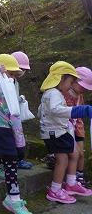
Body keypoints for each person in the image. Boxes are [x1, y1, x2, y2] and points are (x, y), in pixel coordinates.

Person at [38, 61, 92, 204]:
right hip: (55, 133)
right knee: (63, 160)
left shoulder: (51, 93)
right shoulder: (54, 93)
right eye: (71, 81)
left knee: (73, 153)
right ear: (61, 78)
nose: (70, 85)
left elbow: (41, 111)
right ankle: (55, 190)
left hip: (57, 130)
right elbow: (56, 110)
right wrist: (76, 111)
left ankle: (71, 183)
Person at [0, 54, 31, 213]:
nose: (12, 77)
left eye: (14, 74)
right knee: (11, 156)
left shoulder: (10, 84)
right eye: (10, 74)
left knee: (16, 152)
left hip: (11, 125)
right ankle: (14, 197)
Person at [62, 67, 92, 187]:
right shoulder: (64, 92)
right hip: (65, 125)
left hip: (77, 125)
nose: (84, 90)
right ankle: (71, 178)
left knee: (81, 153)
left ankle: (79, 174)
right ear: (74, 81)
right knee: (74, 153)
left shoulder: (80, 96)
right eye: (83, 87)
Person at [11, 51, 34, 169]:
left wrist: (19, 99)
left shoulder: (15, 82)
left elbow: (14, 97)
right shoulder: (7, 80)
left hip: (15, 115)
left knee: (19, 138)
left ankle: (19, 159)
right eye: (19, 68)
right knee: (14, 139)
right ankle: (16, 160)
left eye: (23, 70)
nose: (21, 72)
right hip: (7, 116)